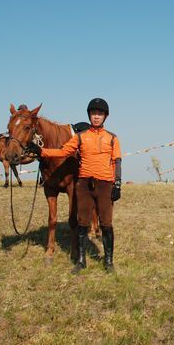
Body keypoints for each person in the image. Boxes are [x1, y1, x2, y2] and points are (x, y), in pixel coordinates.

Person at [27, 98, 122, 273]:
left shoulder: (112, 138)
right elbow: (63, 151)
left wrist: (117, 184)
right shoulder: (79, 137)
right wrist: (42, 151)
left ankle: (108, 261)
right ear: (89, 115)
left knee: (106, 224)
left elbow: (117, 161)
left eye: (100, 114)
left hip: (105, 184)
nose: (96, 117)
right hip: (84, 184)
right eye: (93, 114)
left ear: (105, 117)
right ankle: (80, 261)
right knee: (82, 222)